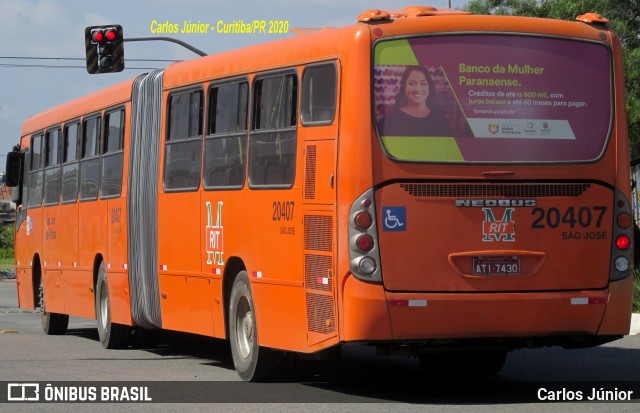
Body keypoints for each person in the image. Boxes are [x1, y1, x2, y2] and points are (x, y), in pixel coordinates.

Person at [380, 66, 452, 137]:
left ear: (429, 87)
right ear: (404, 86)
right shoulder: (390, 120)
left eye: (423, 83)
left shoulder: (440, 121)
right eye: (411, 83)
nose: (417, 89)